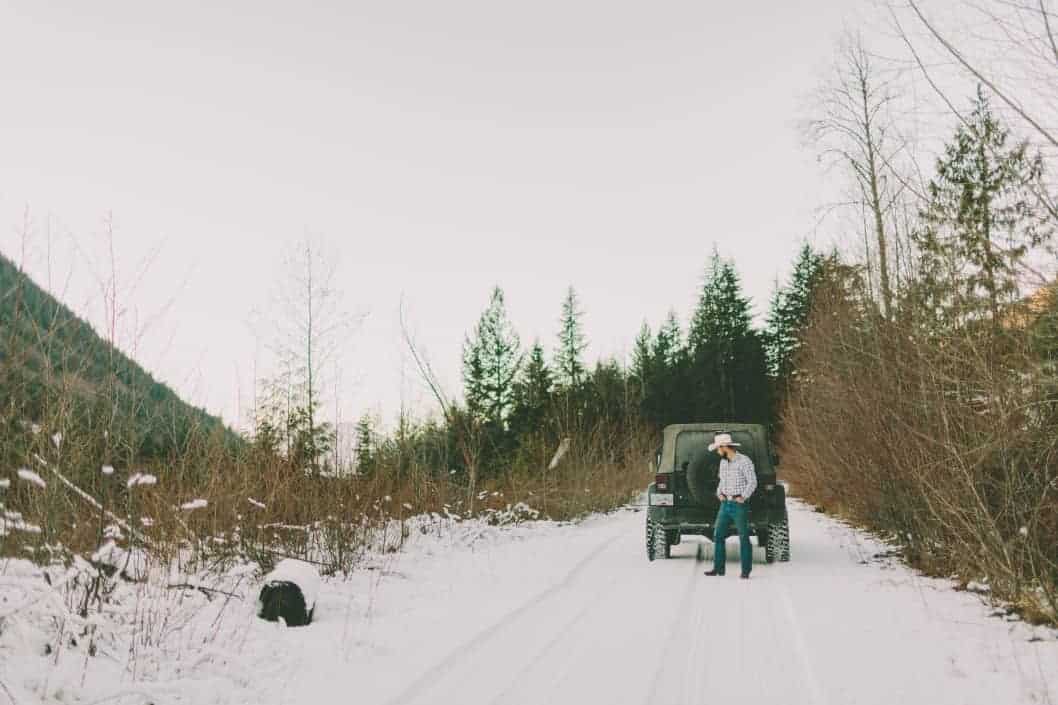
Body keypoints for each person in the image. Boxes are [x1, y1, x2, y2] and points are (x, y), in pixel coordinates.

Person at [703, 433, 757, 579]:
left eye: (718, 448)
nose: (717, 451)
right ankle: (718, 569)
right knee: (718, 535)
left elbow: (752, 482)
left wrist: (743, 497)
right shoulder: (723, 462)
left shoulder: (744, 461)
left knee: (744, 536)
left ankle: (746, 571)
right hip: (725, 504)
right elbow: (722, 480)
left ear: (725, 447)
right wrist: (719, 493)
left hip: (739, 505)